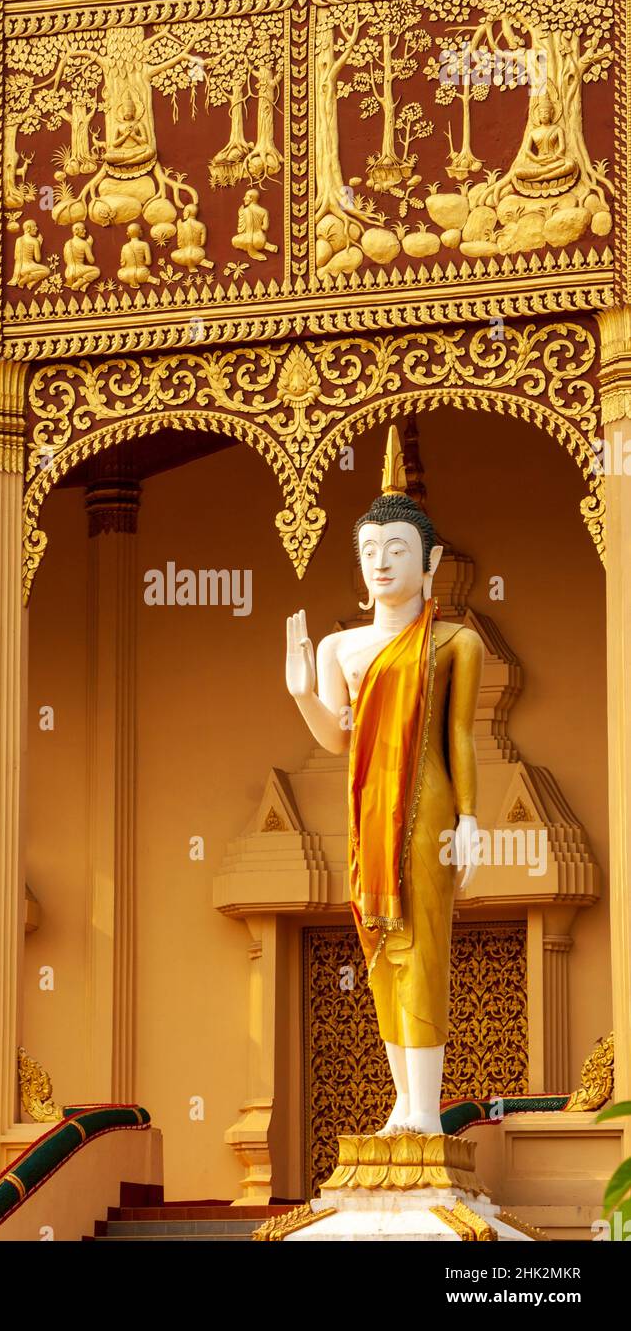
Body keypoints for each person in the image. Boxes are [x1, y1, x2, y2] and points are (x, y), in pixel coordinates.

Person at [285, 427, 484, 1136]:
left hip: (426, 804)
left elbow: (457, 735)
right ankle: (403, 1102)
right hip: (367, 806)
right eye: (369, 551)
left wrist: (469, 818)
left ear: (429, 560)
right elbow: (341, 736)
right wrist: (305, 693)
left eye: (397, 549)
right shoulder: (342, 646)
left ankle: (428, 1110)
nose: (381, 563)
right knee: (379, 943)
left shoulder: (456, 641)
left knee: (423, 941)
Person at [231, 188, 277, 260]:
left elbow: (242, 230)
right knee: (251, 240)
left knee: (234, 240)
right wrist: (258, 227)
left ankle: (259, 246)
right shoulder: (264, 211)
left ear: (251, 198)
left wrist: (241, 215)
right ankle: (266, 245)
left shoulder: (245, 210)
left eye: (246, 196)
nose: (244, 198)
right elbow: (265, 227)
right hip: (260, 239)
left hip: (249, 239)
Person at [9, 218, 50, 290]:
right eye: (34, 227)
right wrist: (39, 244)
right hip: (29, 267)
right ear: (28, 228)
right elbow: (38, 259)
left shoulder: (18, 240)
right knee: (47, 271)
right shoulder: (35, 241)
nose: (37, 229)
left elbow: (16, 257)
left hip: (18, 269)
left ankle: (30, 283)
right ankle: (26, 280)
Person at [170, 203, 213, 271]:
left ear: (187, 213)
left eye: (184, 211)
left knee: (174, 255)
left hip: (184, 253)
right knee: (193, 254)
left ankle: (192, 265)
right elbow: (202, 243)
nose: (183, 213)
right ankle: (200, 262)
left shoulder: (181, 225)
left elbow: (180, 244)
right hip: (198, 253)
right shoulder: (201, 226)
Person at [117, 222, 157, 286]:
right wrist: (141, 263)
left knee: (120, 273)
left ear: (128, 234)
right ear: (140, 232)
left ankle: (133, 280)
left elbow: (122, 263)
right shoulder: (144, 245)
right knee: (144, 273)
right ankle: (148, 279)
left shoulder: (125, 247)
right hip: (141, 273)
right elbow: (148, 262)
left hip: (126, 275)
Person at [64, 222, 100, 291]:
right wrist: (89, 245)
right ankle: (79, 283)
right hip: (79, 270)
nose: (85, 231)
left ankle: (84, 285)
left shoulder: (67, 243)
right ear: (76, 231)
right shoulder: (84, 244)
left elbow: (66, 260)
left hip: (68, 272)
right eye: (83, 229)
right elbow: (91, 261)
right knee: (96, 271)